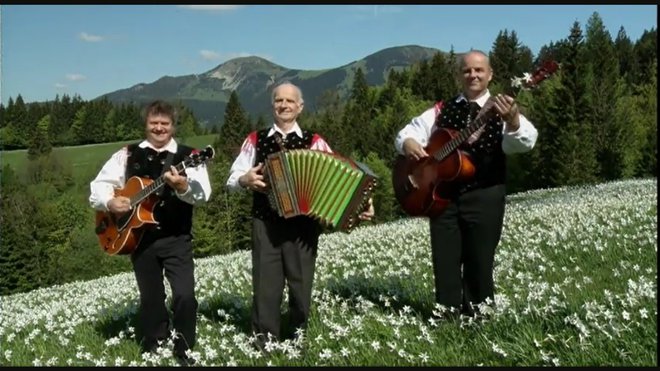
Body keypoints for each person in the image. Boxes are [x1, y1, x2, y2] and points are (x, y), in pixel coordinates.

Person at [226, 81, 374, 350]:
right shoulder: (255, 139)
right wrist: (245, 179)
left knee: (301, 284)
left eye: (289, 101)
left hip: (303, 225)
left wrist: (362, 204)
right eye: (279, 101)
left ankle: (299, 340)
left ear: (300, 107)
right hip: (265, 222)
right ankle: (264, 344)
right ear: (273, 105)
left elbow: (342, 177)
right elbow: (232, 179)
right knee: (265, 286)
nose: (284, 105)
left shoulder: (314, 141)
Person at [394, 50, 538, 318]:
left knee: (480, 260)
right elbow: (408, 131)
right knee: (444, 260)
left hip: (486, 193)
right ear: (460, 75)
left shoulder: (502, 108)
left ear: (490, 74)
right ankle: (446, 318)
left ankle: (480, 319)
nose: (473, 75)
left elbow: (523, 143)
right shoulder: (442, 108)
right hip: (442, 196)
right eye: (467, 70)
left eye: (479, 70)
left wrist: (514, 120)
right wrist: (409, 143)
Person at [89, 100, 212, 366]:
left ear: (173, 126)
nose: (159, 128)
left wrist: (182, 187)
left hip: (177, 237)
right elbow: (98, 186)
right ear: (146, 125)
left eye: (164, 123)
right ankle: (155, 342)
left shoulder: (190, 156)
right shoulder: (127, 154)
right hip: (140, 240)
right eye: (153, 123)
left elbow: (204, 195)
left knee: (185, 295)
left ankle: (184, 348)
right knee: (151, 297)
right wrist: (111, 202)